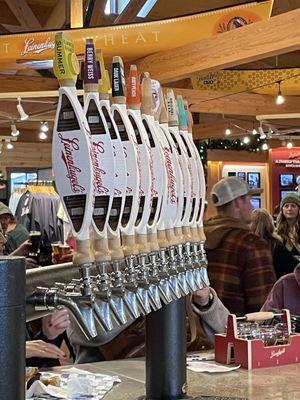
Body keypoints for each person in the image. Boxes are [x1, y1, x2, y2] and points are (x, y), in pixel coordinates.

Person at [204, 176, 276, 315]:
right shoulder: (251, 245)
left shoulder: (199, 237)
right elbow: (262, 308)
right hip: (237, 332)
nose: (252, 206)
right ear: (238, 202)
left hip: (198, 331)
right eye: (249, 200)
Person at [250, 208, 299, 278]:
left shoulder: (246, 243)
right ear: (270, 222)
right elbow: (293, 267)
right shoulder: (276, 244)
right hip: (273, 286)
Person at [277, 193, 300, 257]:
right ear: (282, 209)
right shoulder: (276, 231)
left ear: (299, 209)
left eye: (293, 206)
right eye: (286, 206)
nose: (289, 209)